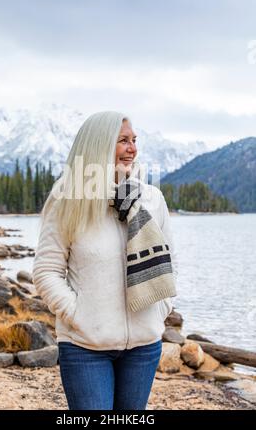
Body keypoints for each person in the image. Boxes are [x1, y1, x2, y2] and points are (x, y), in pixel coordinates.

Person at [32, 111, 178, 410]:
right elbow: (47, 271)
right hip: (86, 348)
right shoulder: (67, 201)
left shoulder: (151, 199)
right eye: (123, 140)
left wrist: (160, 310)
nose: (133, 148)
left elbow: (170, 262)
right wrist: (79, 315)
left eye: (134, 140)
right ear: (100, 145)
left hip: (143, 347)